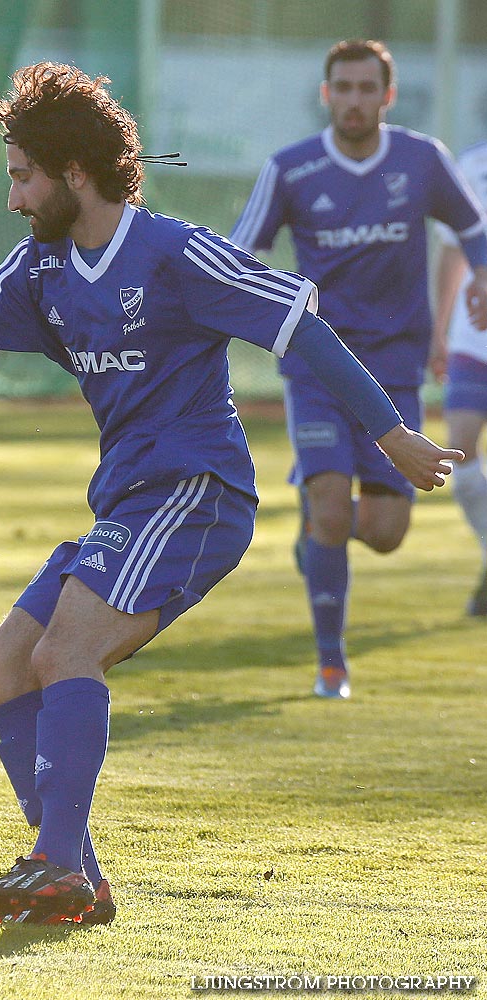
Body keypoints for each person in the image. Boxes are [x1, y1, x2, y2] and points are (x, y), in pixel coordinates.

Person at [0, 61, 458, 927]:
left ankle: (53, 865)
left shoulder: (175, 254)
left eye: (22, 177)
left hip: (198, 493)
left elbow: (303, 328)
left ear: (74, 172)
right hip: (129, 505)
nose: (13, 200)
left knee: (64, 654)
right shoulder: (39, 272)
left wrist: (394, 433)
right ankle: (76, 878)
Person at [230, 39, 487, 698]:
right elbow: (239, 257)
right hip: (316, 364)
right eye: (341, 87)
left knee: (383, 533)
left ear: (386, 96)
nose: (353, 100)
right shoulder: (291, 168)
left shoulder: (421, 159)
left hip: (396, 366)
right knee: (330, 509)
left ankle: (318, 538)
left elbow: (472, 224)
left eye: (365, 88)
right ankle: (330, 664)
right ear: (327, 94)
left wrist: (483, 272)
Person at [432, 139, 487, 614]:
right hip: (474, 340)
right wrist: (439, 329)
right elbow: (453, 253)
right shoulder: (471, 164)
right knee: (460, 447)